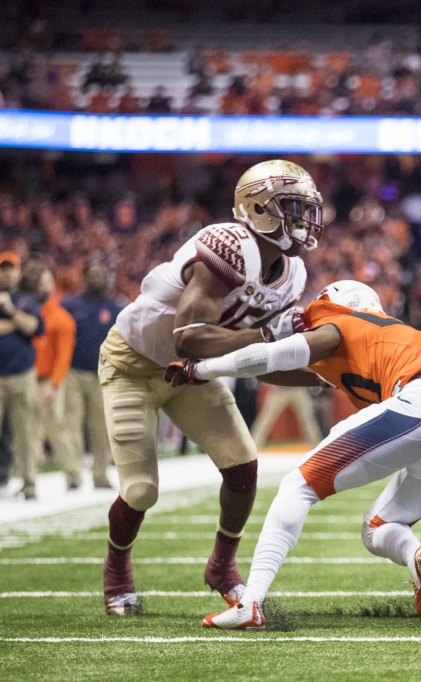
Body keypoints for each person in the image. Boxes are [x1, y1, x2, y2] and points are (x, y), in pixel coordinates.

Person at [167, 281, 421, 630]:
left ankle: (249, 603)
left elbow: (271, 356)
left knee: (298, 485)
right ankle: (416, 556)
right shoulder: (402, 340)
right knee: (379, 527)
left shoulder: (344, 324)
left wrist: (201, 370)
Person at [98, 160, 324, 616]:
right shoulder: (229, 244)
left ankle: (222, 566)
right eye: (293, 208)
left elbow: (261, 363)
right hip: (133, 365)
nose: (303, 220)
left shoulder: (293, 275)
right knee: (141, 490)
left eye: (306, 209)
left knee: (243, 465)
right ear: (259, 207)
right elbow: (190, 333)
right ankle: (116, 573)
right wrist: (266, 339)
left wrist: (328, 379)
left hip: (193, 374)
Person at [62, 261, 122, 489]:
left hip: (103, 373)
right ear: (84, 277)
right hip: (75, 372)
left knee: (102, 426)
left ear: (106, 277)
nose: (96, 278)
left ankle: (100, 474)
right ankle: (74, 475)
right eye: (92, 273)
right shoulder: (70, 305)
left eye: (100, 274)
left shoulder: (115, 308)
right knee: (72, 424)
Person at [23, 262, 77, 489]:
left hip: (49, 379)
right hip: (29, 377)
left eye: (43, 282)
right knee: (30, 429)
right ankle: (30, 478)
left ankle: (73, 474)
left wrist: (53, 384)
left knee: (56, 427)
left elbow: (64, 356)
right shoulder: (28, 312)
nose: (40, 286)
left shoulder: (61, 318)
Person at [0, 252, 43, 500]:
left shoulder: (27, 299)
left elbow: (35, 327)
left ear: (18, 272)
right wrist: (18, 322)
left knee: (26, 432)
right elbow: (26, 326)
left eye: (10, 268)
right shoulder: (26, 305)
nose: (6, 273)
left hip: (22, 375)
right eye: (3, 269)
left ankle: (29, 485)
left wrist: (9, 311)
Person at [249, 385, 323, 449]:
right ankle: (253, 446)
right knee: (265, 418)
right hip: (280, 390)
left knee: (308, 420)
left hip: (298, 389)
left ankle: (317, 447)